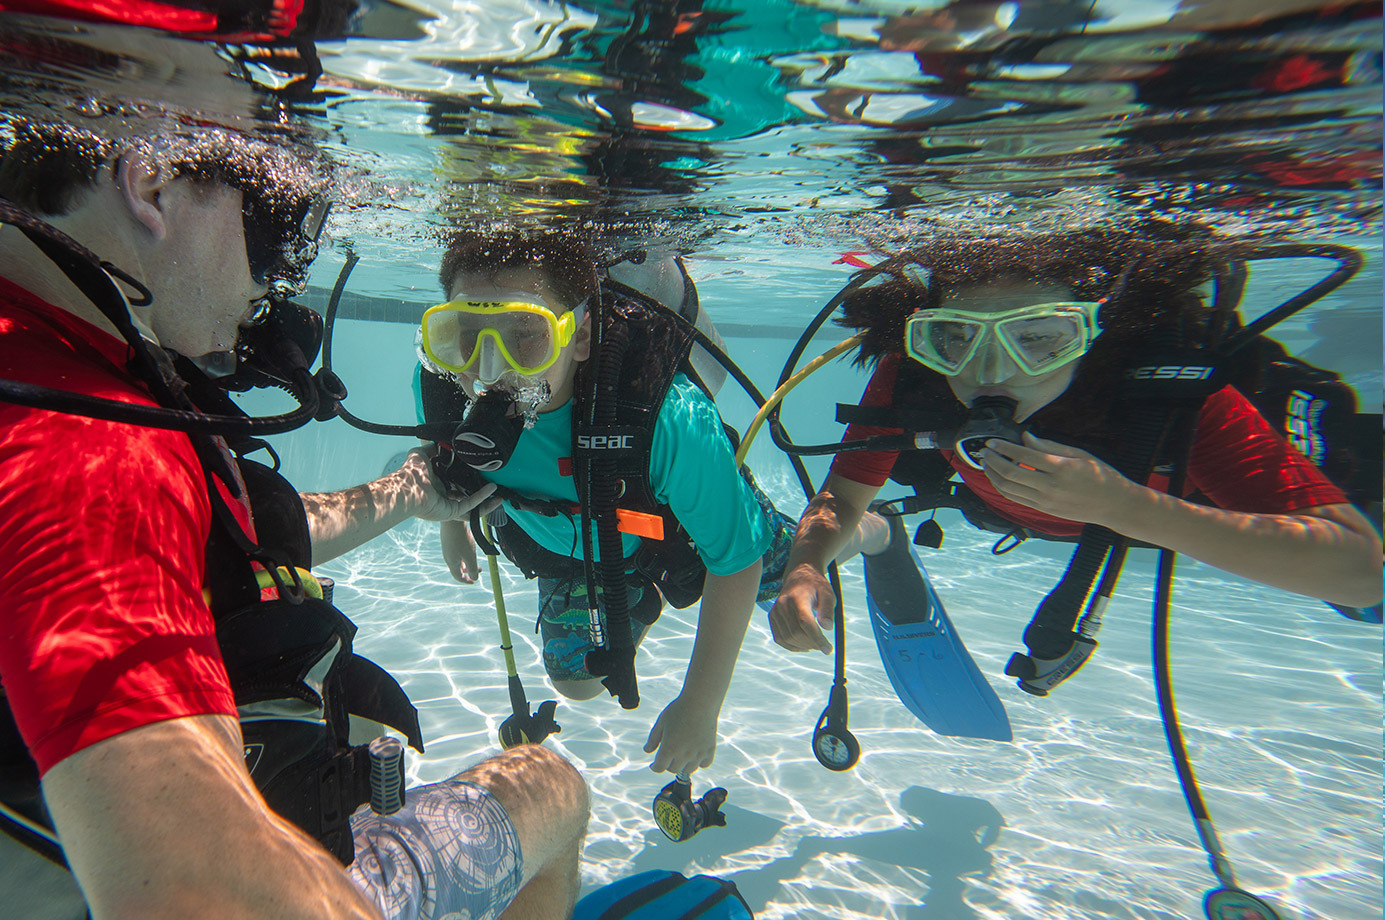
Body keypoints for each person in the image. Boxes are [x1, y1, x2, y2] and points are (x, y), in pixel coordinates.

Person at [0, 117, 588, 919]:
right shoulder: (85, 447)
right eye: (273, 228)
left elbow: (216, 543)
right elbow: (198, 896)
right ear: (152, 187)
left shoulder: (51, 356)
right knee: (550, 786)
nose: (273, 282)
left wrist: (413, 491)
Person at [770, 225, 1382, 681]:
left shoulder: (1164, 392)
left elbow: (1359, 573)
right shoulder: (918, 373)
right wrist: (806, 566)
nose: (989, 371)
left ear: (1091, 333)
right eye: (956, 337)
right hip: (1003, 512)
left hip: (1172, 512)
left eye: (1037, 340)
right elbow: (840, 495)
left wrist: (1125, 506)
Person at [414, 232, 884, 776]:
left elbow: (736, 563)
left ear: (581, 334)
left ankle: (877, 532)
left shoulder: (668, 420)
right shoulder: (447, 383)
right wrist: (454, 523)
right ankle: (631, 590)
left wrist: (700, 706)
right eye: (465, 336)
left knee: (798, 572)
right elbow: (444, 457)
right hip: (583, 549)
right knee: (577, 682)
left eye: (526, 337)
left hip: (683, 534)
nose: (488, 370)